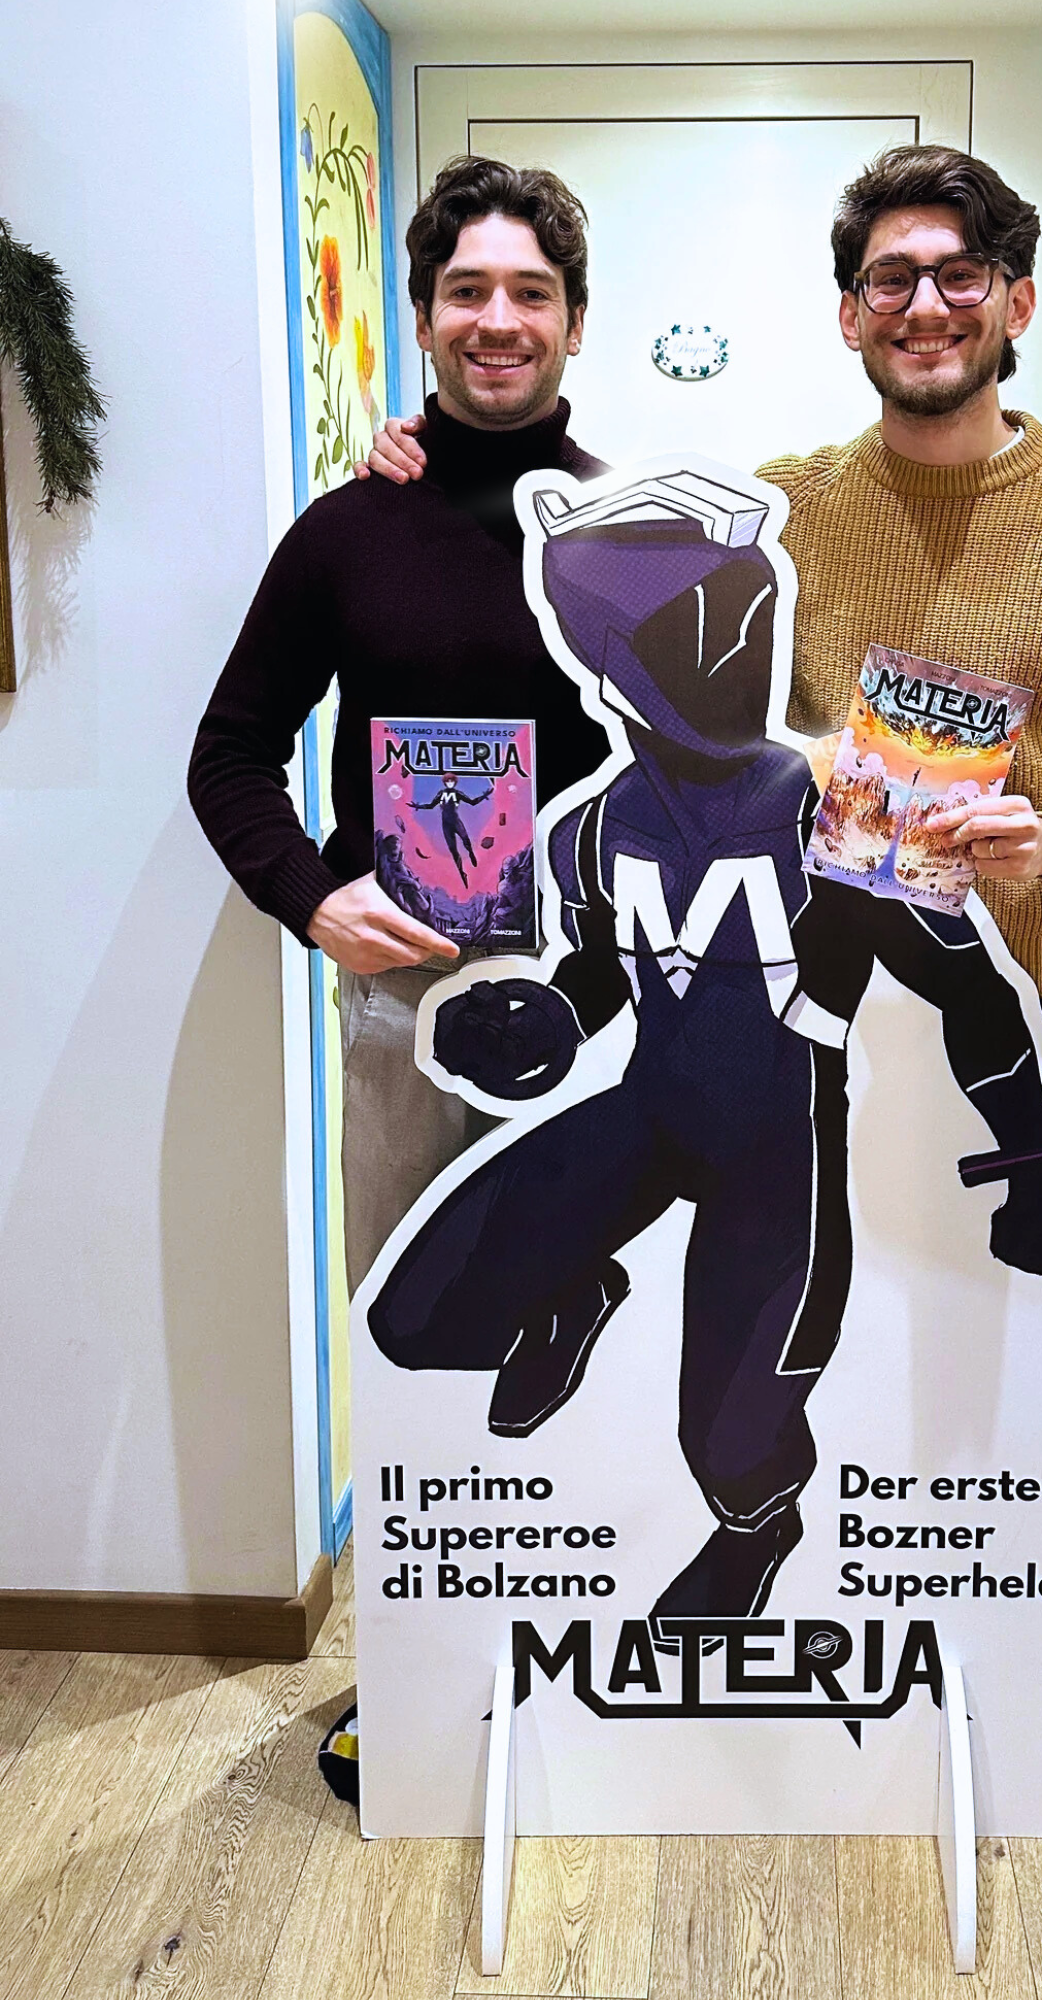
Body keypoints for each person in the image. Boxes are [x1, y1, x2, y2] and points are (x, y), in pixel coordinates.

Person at [362, 143, 1042, 1814]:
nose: (926, 305)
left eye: (960, 274)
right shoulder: (782, 507)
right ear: (848, 313)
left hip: (1027, 986)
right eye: (892, 278)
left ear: (1015, 300)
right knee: (730, 1331)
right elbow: (584, 563)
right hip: (777, 1015)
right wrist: (425, 467)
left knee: (1039, 1343)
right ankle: (763, 1501)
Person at [190, 155, 610, 1295]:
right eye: (466, 291)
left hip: (602, 989)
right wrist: (313, 898)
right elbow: (228, 755)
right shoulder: (347, 531)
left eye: (531, 292)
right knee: (407, 1322)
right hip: (405, 990)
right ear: (423, 320)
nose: (498, 320)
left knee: (590, 1322)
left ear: (575, 323)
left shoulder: (627, 531)